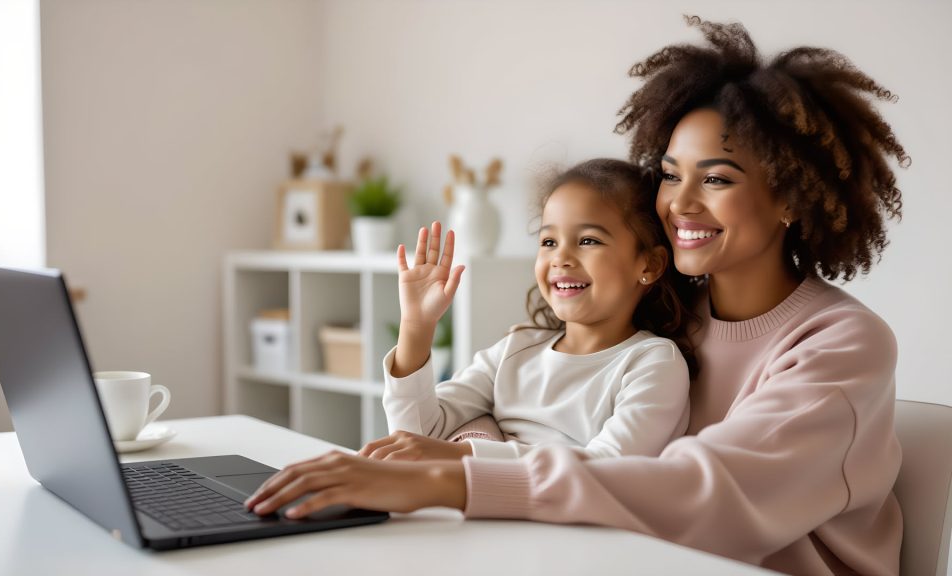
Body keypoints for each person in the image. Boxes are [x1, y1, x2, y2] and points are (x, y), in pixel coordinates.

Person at [245, 16, 908, 575]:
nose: (679, 202)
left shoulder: (842, 344)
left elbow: (706, 492)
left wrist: (450, 471)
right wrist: (461, 436)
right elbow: (522, 424)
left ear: (790, 195)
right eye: (671, 175)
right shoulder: (666, 321)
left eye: (718, 178)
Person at [366, 159, 693, 463]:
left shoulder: (652, 362)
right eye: (549, 242)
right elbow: (418, 435)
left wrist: (469, 455)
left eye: (589, 241)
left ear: (649, 264)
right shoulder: (516, 349)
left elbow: (605, 469)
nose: (560, 258)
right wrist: (417, 326)